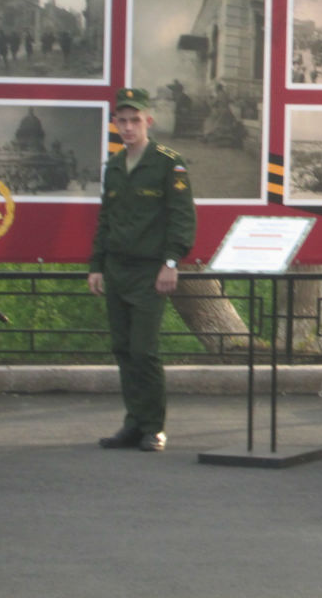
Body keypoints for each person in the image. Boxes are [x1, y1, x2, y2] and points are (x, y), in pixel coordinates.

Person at [88, 88, 196, 452]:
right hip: (117, 268)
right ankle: (133, 423)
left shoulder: (168, 162)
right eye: (123, 120)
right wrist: (96, 266)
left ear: (149, 121)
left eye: (136, 120)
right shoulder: (115, 166)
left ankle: (154, 427)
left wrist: (171, 262)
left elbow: (181, 218)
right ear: (115, 123)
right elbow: (106, 220)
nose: (129, 126)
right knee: (122, 348)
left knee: (144, 350)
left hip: (150, 271)